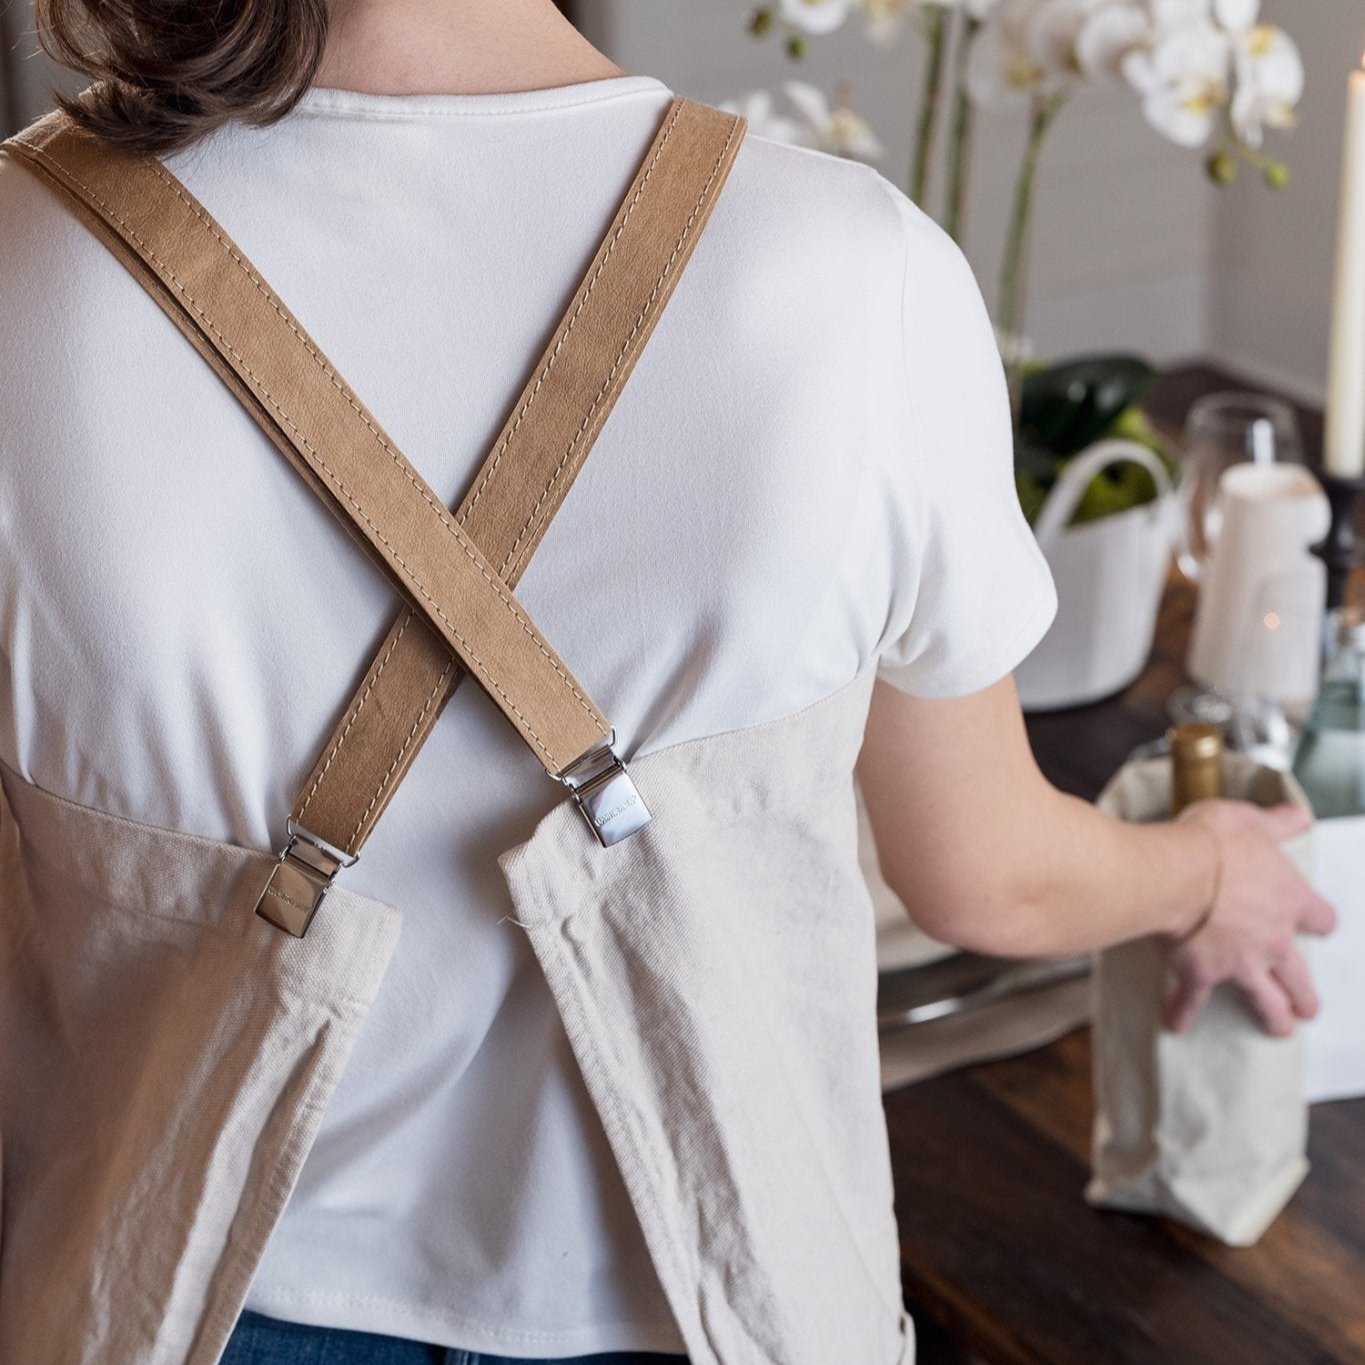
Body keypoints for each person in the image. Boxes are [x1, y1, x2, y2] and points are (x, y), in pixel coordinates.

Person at [0, 0, 1335, 1362]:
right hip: (698, 1306)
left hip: (175, 1308)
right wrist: (1208, 872)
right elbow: (987, 874)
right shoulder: (847, 270)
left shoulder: (20, 258)